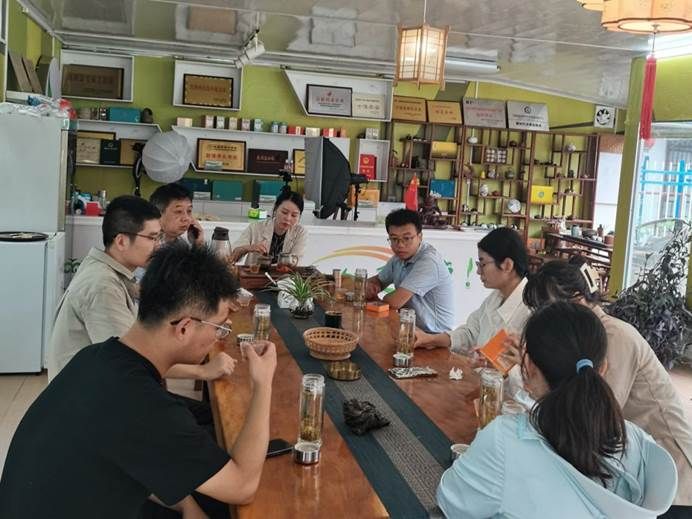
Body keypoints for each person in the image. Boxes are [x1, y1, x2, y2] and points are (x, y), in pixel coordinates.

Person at [0, 243, 277, 518]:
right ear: (184, 328)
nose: (219, 336)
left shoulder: (95, 357)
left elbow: (127, 455)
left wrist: (187, 505)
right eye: (219, 327)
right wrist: (263, 383)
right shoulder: (143, 404)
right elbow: (242, 487)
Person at [436, 302, 678, 518]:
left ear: (527, 366)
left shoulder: (504, 440)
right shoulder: (637, 441)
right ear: (602, 368)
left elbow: (451, 501)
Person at [523, 260, 692, 513]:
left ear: (577, 300)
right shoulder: (582, 339)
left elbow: (589, 418)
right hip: (632, 467)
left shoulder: (613, 337)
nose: (542, 320)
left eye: (546, 308)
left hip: (671, 481)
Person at [46, 195, 235, 384]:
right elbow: (132, 357)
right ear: (121, 241)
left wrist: (205, 316)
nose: (158, 245)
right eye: (152, 238)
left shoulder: (110, 270)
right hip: (87, 392)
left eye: (159, 237)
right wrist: (202, 371)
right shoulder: (102, 286)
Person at [414, 227, 530, 352]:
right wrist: (430, 340)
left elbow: (524, 362)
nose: (478, 271)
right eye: (478, 264)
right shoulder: (496, 297)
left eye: (483, 264)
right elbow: (470, 333)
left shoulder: (529, 310)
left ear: (507, 265)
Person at [364, 208, 454, 333]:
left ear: (420, 237)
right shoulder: (399, 258)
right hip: (408, 327)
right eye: (394, 239)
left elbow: (395, 302)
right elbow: (378, 280)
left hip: (433, 335)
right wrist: (371, 285)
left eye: (406, 238)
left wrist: (378, 298)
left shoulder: (428, 262)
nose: (400, 245)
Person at [231, 190, 307, 264]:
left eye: (294, 215)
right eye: (284, 212)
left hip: (284, 273)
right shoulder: (256, 227)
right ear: (275, 210)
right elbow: (231, 256)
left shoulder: (300, 232)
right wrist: (248, 248)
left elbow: (295, 262)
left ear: (299, 217)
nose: (288, 218)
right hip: (255, 272)